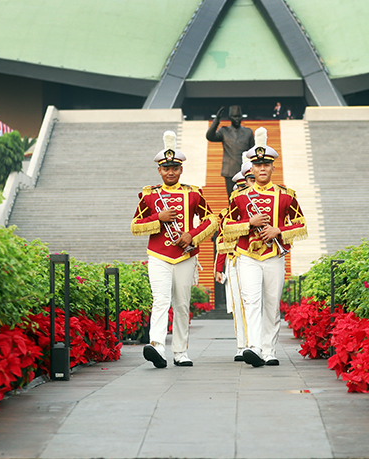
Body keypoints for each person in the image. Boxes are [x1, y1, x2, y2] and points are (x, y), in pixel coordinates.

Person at [221, 127, 307, 367]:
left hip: (274, 255)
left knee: (271, 304)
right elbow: (226, 226)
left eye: (265, 165)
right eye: (257, 165)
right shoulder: (238, 197)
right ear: (251, 168)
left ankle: (269, 351)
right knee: (251, 301)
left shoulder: (286, 195)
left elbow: (301, 224)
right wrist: (250, 223)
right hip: (247, 255)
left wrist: (278, 230)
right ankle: (255, 347)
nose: (261, 169)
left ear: (272, 168)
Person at [130, 130, 217, 368]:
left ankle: (181, 352)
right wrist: (158, 216)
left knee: (182, 304)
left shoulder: (193, 193)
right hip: (158, 255)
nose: (170, 172)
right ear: (159, 169)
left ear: (181, 169)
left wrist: (192, 236)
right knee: (160, 300)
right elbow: (135, 225)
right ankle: (157, 346)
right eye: (166, 167)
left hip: (185, 255)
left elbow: (212, 219)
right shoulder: (149, 195)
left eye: (175, 168)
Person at [216, 153, 253, 362]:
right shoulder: (226, 214)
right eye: (238, 188)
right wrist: (219, 268)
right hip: (236, 259)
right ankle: (243, 345)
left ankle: (261, 344)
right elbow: (222, 242)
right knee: (239, 304)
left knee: (258, 304)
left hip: (259, 257)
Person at [206, 105, 255, 197]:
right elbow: (210, 136)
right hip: (229, 169)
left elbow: (252, 151)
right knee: (231, 197)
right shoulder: (224, 131)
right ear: (229, 118)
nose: (237, 119)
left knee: (246, 196)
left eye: (238, 116)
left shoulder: (248, 132)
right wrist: (217, 120)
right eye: (234, 116)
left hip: (244, 170)